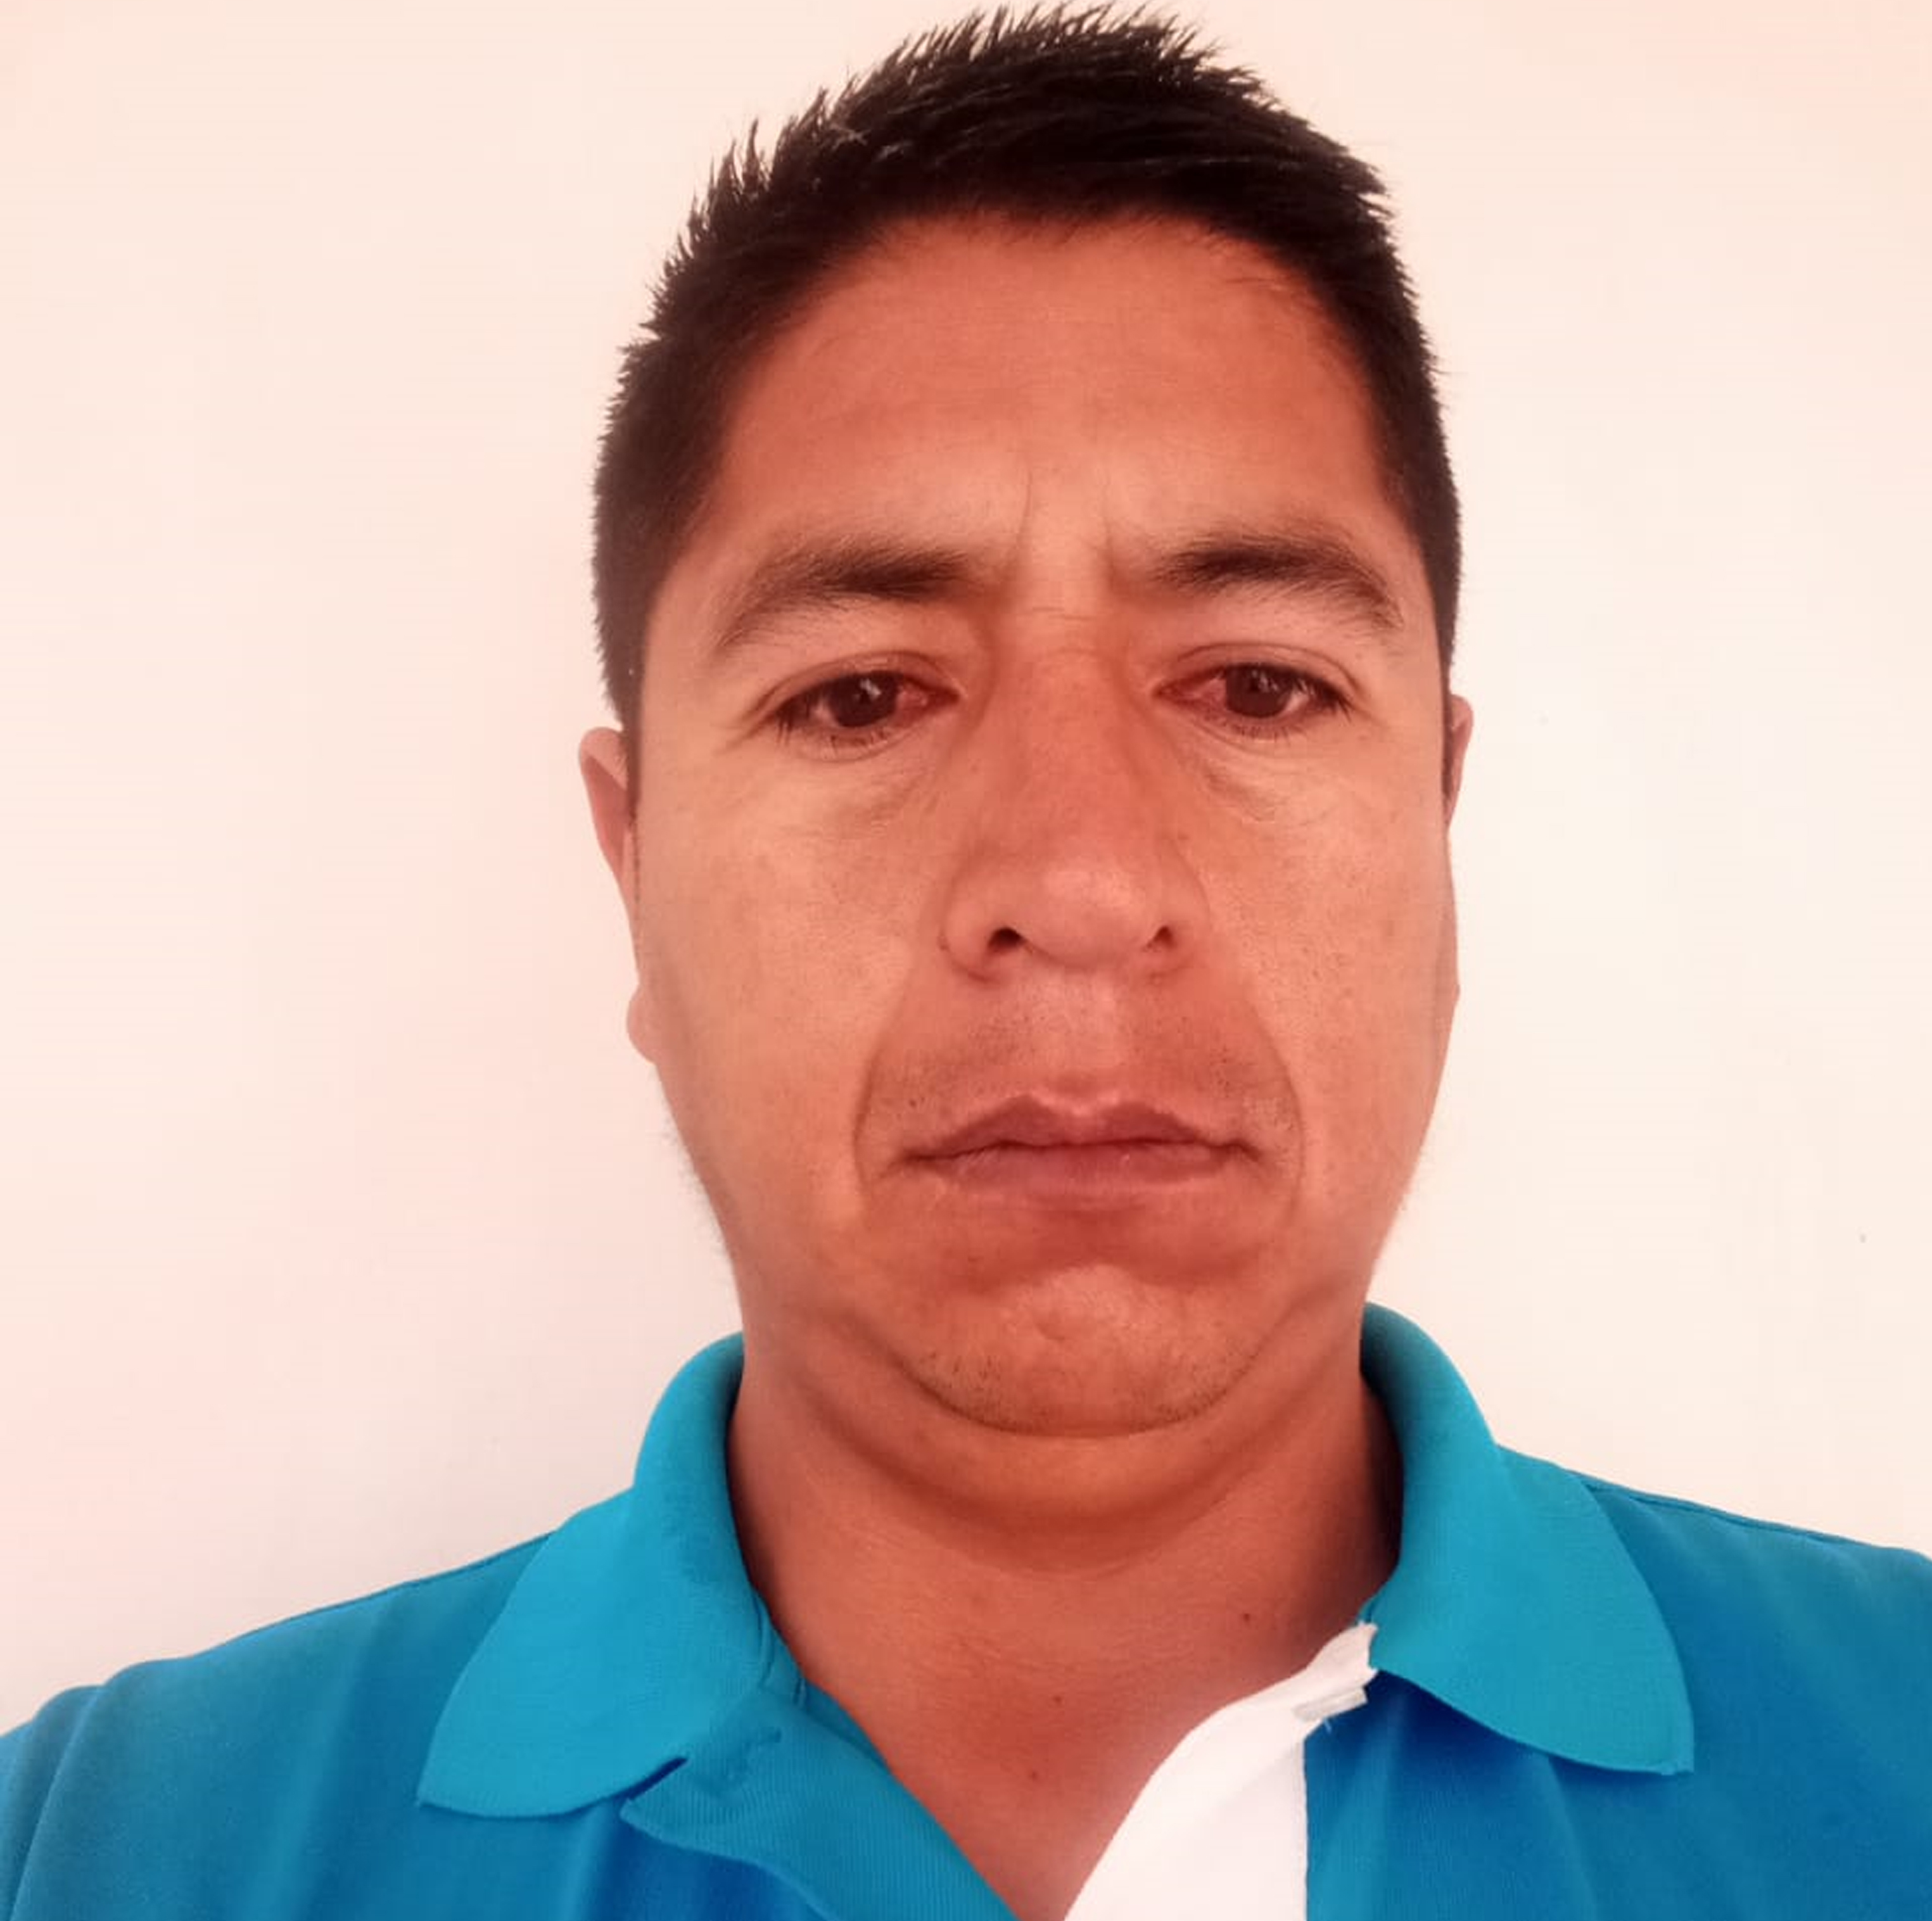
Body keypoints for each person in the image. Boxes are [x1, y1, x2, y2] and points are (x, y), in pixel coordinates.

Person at [2, 9, 1926, 1918]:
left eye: (1259, 685)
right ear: (635, 867)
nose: (1078, 884)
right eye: (861, 696)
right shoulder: (88, 1852)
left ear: (1438, 816)